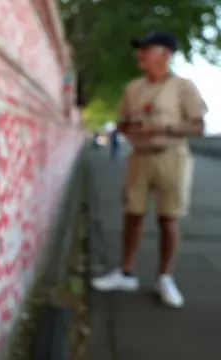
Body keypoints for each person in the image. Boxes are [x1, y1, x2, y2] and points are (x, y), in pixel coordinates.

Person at [91, 31, 207, 308]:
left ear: (165, 54)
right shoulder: (134, 88)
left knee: (168, 219)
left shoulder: (183, 87)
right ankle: (126, 272)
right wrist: (128, 127)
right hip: (139, 156)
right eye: (140, 49)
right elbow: (121, 122)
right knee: (132, 214)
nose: (140, 54)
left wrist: (163, 128)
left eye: (147, 49)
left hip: (171, 155)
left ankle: (165, 277)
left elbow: (198, 126)